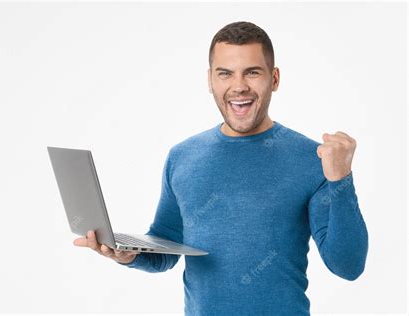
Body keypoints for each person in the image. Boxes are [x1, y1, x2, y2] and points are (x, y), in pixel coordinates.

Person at [73, 21, 369, 315]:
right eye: (225, 74)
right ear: (210, 80)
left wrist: (341, 180)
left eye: (252, 72)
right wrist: (129, 254)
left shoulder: (311, 159)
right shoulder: (182, 157)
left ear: (275, 79)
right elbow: (166, 248)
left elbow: (348, 266)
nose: (238, 86)